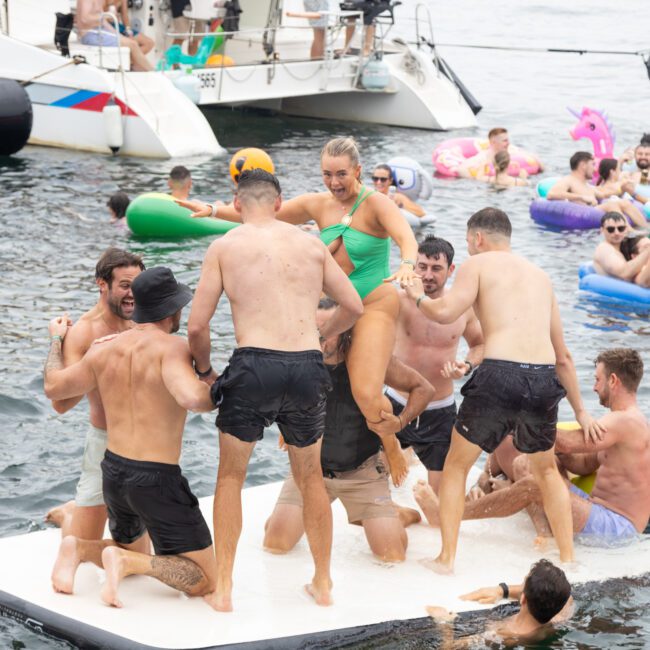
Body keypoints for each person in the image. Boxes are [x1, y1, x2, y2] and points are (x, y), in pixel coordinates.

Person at [179, 137, 420, 488]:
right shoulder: (316, 204)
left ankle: (392, 444)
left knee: (366, 393)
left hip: (373, 304)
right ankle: (295, 427)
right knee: (301, 375)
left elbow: (406, 239)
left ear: (358, 171)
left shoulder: (377, 204)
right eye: (327, 174)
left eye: (341, 174)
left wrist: (409, 264)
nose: (334, 182)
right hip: (332, 308)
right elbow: (261, 211)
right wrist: (214, 210)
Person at [187, 169, 363, 611]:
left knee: (230, 477)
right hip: (305, 366)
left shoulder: (225, 246)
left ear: (238, 202)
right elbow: (354, 305)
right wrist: (323, 341)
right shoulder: (310, 244)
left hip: (253, 365)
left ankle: (224, 588)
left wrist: (207, 372)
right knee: (310, 478)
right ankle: (323, 584)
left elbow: (196, 326)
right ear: (280, 202)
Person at [401, 207, 603, 572]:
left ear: (478, 238)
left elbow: (444, 312)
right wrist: (582, 410)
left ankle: (446, 559)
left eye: (467, 241)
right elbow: (564, 356)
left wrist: (417, 295)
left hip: (500, 375)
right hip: (542, 379)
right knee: (545, 472)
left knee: (457, 466)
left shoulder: (477, 265)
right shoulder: (542, 277)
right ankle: (568, 558)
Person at [44, 267, 220, 610]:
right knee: (203, 579)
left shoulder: (102, 348)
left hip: (113, 470)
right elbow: (194, 400)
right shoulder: (172, 348)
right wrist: (215, 380)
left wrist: (56, 341)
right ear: (174, 310)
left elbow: (54, 386)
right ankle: (126, 564)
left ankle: (78, 547)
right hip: (156, 479)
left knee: (133, 546)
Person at [415, 348, 650, 549]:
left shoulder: (626, 421)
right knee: (525, 463)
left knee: (536, 485)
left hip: (617, 527)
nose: (595, 387)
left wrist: (522, 417)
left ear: (613, 381)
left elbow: (567, 443)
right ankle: (545, 532)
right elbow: (583, 463)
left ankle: (451, 516)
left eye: (598, 379)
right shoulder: (618, 422)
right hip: (595, 506)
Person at [263, 298, 431, 563]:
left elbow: (424, 389)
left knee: (392, 556)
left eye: (329, 331)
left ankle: (398, 514)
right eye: (315, 331)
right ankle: (287, 516)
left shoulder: (369, 360)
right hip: (311, 470)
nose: (321, 340)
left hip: (361, 471)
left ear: (347, 330)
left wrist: (399, 425)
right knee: (276, 543)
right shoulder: (299, 357)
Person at [45, 249, 144, 542]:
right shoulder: (84, 333)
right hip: (105, 445)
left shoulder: (141, 319)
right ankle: (69, 515)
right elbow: (60, 403)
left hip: (145, 443)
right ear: (102, 284)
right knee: (82, 548)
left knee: (135, 557)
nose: (132, 294)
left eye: (137, 286)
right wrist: (63, 344)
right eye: (125, 285)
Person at [387, 236, 484, 493]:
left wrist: (466, 365)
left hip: (439, 410)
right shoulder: (396, 300)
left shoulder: (462, 308)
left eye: (436, 268)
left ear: (451, 270)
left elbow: (480, 344)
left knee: (442, 492)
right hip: (396, 402)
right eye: (422, 267)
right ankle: (402, 455)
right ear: (412, 266)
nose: (428, 275)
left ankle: (412, 457)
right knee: (371, 480)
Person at [427, 560, 572, 648]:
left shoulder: (504, 635)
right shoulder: (559, 616)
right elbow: (566, 597)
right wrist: (503, 590)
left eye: (523, 584)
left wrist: (444, 623)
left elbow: (450, 648)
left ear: (523, 599)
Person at [547, 152, 647, 228]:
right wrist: (581, 197)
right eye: (592, 164)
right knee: (612, 204)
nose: (595, 169)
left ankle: (646, 228)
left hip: (594, 211)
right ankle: (627, 230)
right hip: (584, 214)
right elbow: (552, 194)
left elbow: (604, 194)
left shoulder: (586, 185)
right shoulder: (568, 180)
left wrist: (624, 190)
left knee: (624, 202)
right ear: (583, 165)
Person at [75, 0, 154, 71]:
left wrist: (119, 36)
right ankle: (153, 72)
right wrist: (107, 15)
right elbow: (84, 19)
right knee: (132, 45)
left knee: (132, 42)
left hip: (100, 31)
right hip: (90, 34)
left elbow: (104, 23)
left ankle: (142, 70)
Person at [593, 212, 650, 287]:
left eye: (621, 228)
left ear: (626, 229)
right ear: (602, 230)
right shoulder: (604, 249)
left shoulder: (622, 245)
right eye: (611, 229)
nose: (616, 233)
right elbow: (624, 273)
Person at [456, 128, 524, 180]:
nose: (508, 143)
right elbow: (461, 169)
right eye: (505, 141)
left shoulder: (511, 152)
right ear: (493, 142)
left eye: (508, 140)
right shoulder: (483, 157)